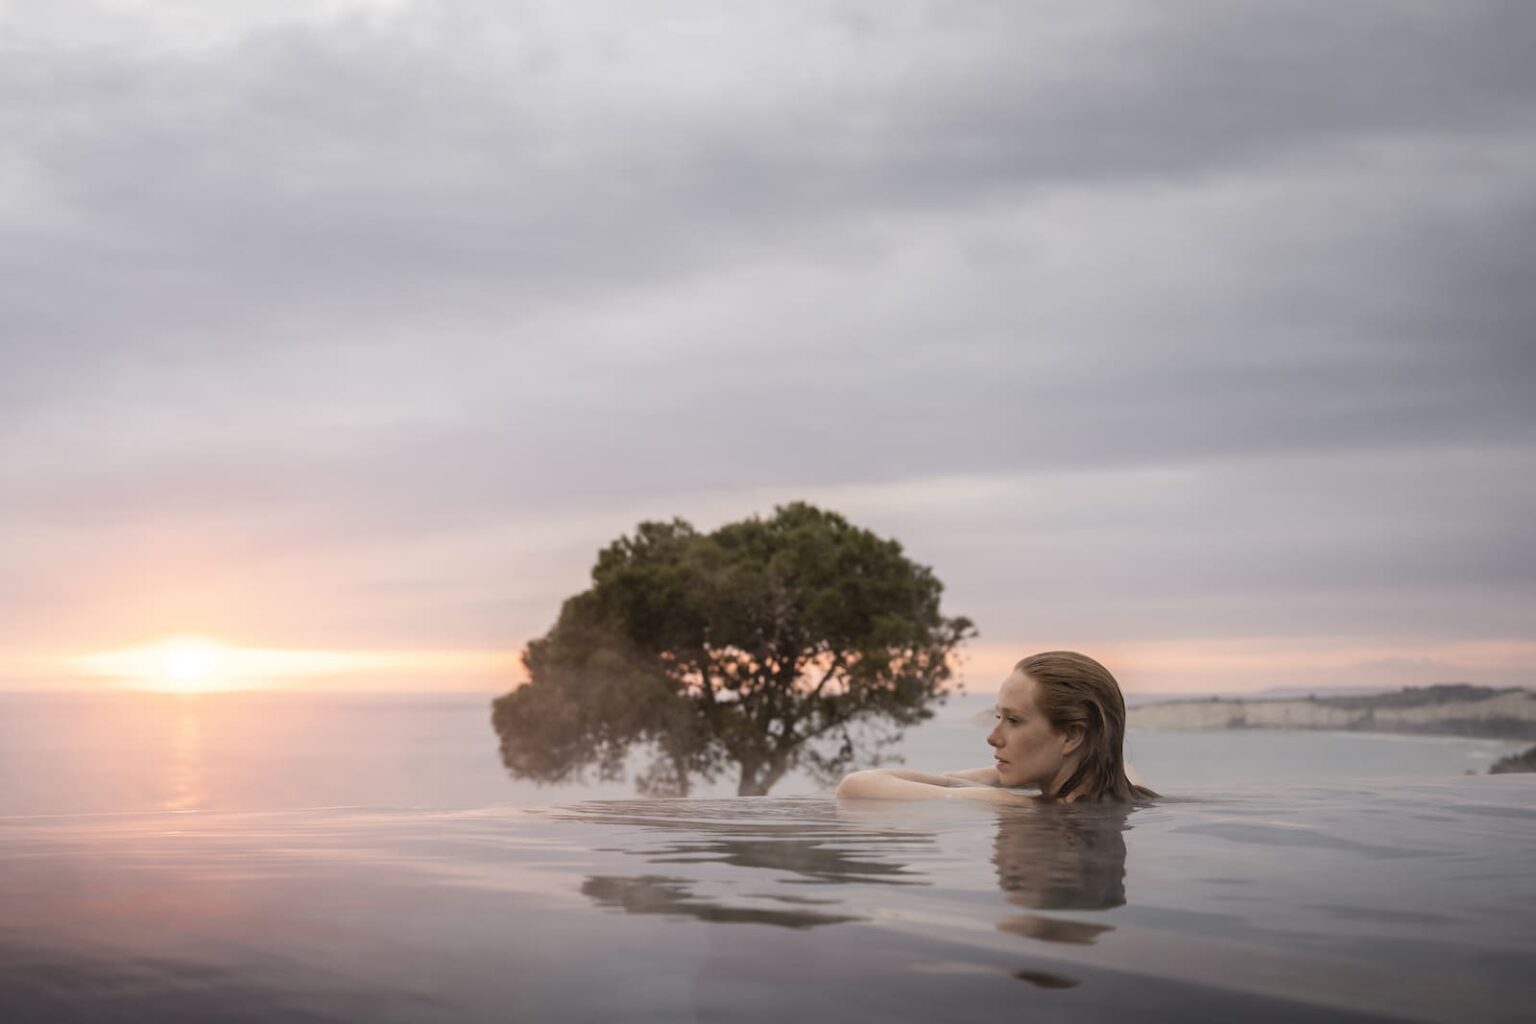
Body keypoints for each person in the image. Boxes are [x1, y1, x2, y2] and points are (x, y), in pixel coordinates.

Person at [835, 651, 1156, 804]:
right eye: (997, 717)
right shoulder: (1128, 795)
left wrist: (977, 785)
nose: (993, 738)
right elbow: (1122, 765)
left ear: (1072, 735)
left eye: (1014, 721)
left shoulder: (1016, 808)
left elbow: (855, 786)